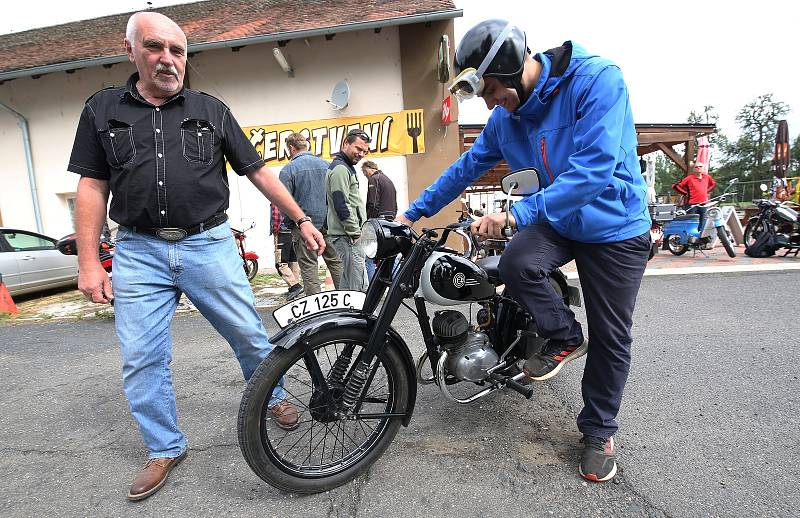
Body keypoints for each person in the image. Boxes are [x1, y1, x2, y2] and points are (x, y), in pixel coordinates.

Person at [67, 11, 325, 502]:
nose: (168, 59)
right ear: (131, 51)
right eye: (155, 48)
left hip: (208, 244)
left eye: (178, 50)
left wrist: (301, 218)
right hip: (138, 250)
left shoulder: (211, 109)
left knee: (249, 336)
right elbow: (91, 185)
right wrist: (86, 262)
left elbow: (258, 170)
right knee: (142, 358)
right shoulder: (102, 110)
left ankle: (273, 397)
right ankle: (165, 447)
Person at [397, 19, 651, 483]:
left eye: (493, 89)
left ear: (514, 67)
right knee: (515, 263)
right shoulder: (505, 119)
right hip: (559, 219)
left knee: (613, 337)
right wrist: (412, 214)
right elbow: (466, 166)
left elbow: (593, 172)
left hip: (614, 224)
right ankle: (564, 335)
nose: (492, 102)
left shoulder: (597, 80)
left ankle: (598, 431)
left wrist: (516, 215)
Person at [279, 132, 343, 295]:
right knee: (336, 262)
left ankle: (316, 307)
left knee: (309, 267)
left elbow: (284, 202)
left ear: (291, 148)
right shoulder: (327, 165)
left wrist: (288, 224)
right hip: (329, 224)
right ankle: (347, 299)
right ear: (306, 146)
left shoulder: (288, 170)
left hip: (303, 226)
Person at [326, 129, 370, 291]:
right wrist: (355, 233)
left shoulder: (345, 167)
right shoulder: (340, 169)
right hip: (348, 237)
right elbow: (341, 204)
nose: (361, 154)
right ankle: (357, 316)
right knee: (357, 288)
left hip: (347, 236)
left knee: (348, 285)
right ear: (346, 143)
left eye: (364, 152)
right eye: (358, 149)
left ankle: (347, 315)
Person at [361, 159, 398, 281]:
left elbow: (373, 203)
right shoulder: (387, 179)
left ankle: (372, 288)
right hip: (390, 220)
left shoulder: (374, 179)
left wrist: (369, 222)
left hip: (379, 221)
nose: (365, 176)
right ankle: (395, 283)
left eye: (365, 173)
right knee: (389, 255)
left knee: (370, 256)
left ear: (369, 169)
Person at [269, 202, 302, 299]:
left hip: (282, 232)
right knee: (293, 261)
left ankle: (295, 286)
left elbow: (276, 215)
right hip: (292, 231)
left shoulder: (276, 196)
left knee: (280, 264)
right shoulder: (291, 194)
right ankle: (295, 289)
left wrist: (275, 230)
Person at [672, 161, 716, 231]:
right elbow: (675, 186)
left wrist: (707, 191)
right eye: (696, 167)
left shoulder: (707, 177)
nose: (698, 168)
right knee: (691, 223)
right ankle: (690, 239)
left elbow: (713, 184)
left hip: (704, 204)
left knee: (703, 222)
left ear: (703, 168)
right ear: (693, 169)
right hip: (691, 204)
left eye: (700, 166)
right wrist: (685, 193)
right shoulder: (689, 178)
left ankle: (700, 239)